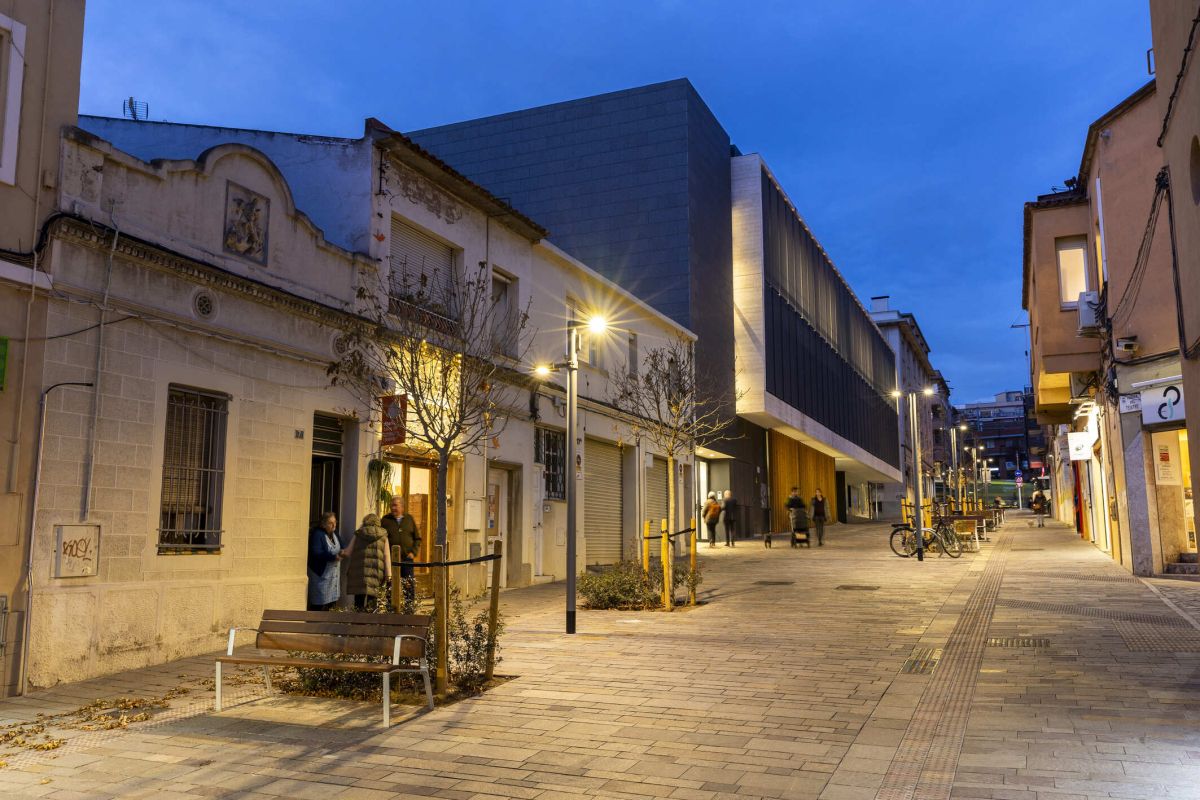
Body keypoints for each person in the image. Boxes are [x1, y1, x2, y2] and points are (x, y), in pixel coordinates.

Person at [347, 513, 391, 611]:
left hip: (359, 574)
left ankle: (357, 624)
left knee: (358, 601)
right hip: (376, 573)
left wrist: (339, 553)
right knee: (373, 601)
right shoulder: (383, 535)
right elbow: (386, 556)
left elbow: (348, 551)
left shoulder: (358, 534)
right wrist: (388, 575)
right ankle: (370, 624)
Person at [382, 496, 421, 607]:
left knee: (409, 585)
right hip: (391, 560)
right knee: (391, 586)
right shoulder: (385, 520)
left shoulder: (409, 519)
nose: (393, 508)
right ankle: (391, 610)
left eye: (395, 505)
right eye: (391, 505)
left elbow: (417, 538)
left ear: (402, 507)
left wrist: (413, 552)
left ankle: (409, 610)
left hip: (407, 560)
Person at [306, 512, 342, 611]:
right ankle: (314, 625)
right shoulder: (318, 534)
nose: (334, 525)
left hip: (333, 577)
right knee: (319, 604)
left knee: (331, 604)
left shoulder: (335, 534)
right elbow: (317, 553)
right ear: (323, 524)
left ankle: (328, 626)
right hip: (321, 575)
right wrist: (333, 557)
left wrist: (343, 552)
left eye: (335, 522)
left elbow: (341, 546)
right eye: (331, 523)